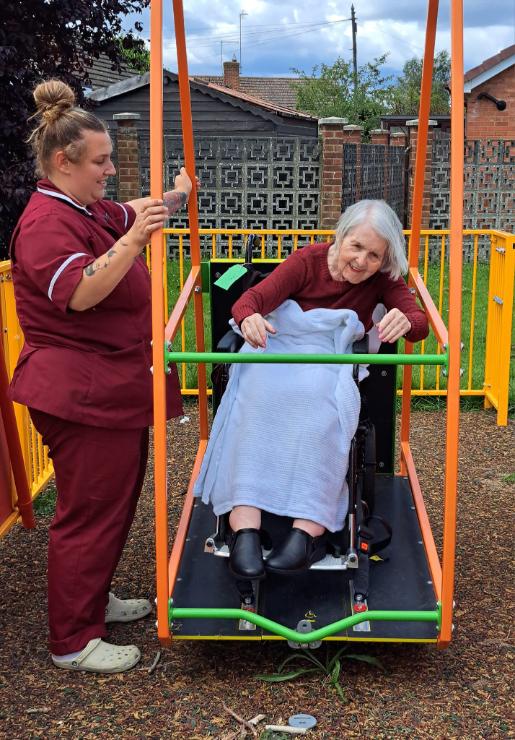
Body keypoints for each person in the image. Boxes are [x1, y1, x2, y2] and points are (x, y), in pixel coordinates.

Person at [9, 79, 193, 674]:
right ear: (63, 162)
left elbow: (137, 210)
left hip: (109, 389)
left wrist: (175, 197)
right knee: (89, 511)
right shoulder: (44, 225)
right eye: (101, 161)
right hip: (80, 394)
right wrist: (136, 242)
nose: (111, 171)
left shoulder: (82, 208)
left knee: (113, 502)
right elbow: (82, 291)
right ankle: (72, 638)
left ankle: (92, 599)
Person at [194, 199, 429, 580]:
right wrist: (249, 317)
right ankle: (245, 529)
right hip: (282, 345)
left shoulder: (383, 279)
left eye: (374, 255)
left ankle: (308, 530)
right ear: (341, 237)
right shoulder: (308, 261)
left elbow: (419, 324)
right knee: (251, 399)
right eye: (356, 246)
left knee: (324, 406)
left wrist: (406, 318)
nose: (361, 261)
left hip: (328, 356)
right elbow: (250, 300)